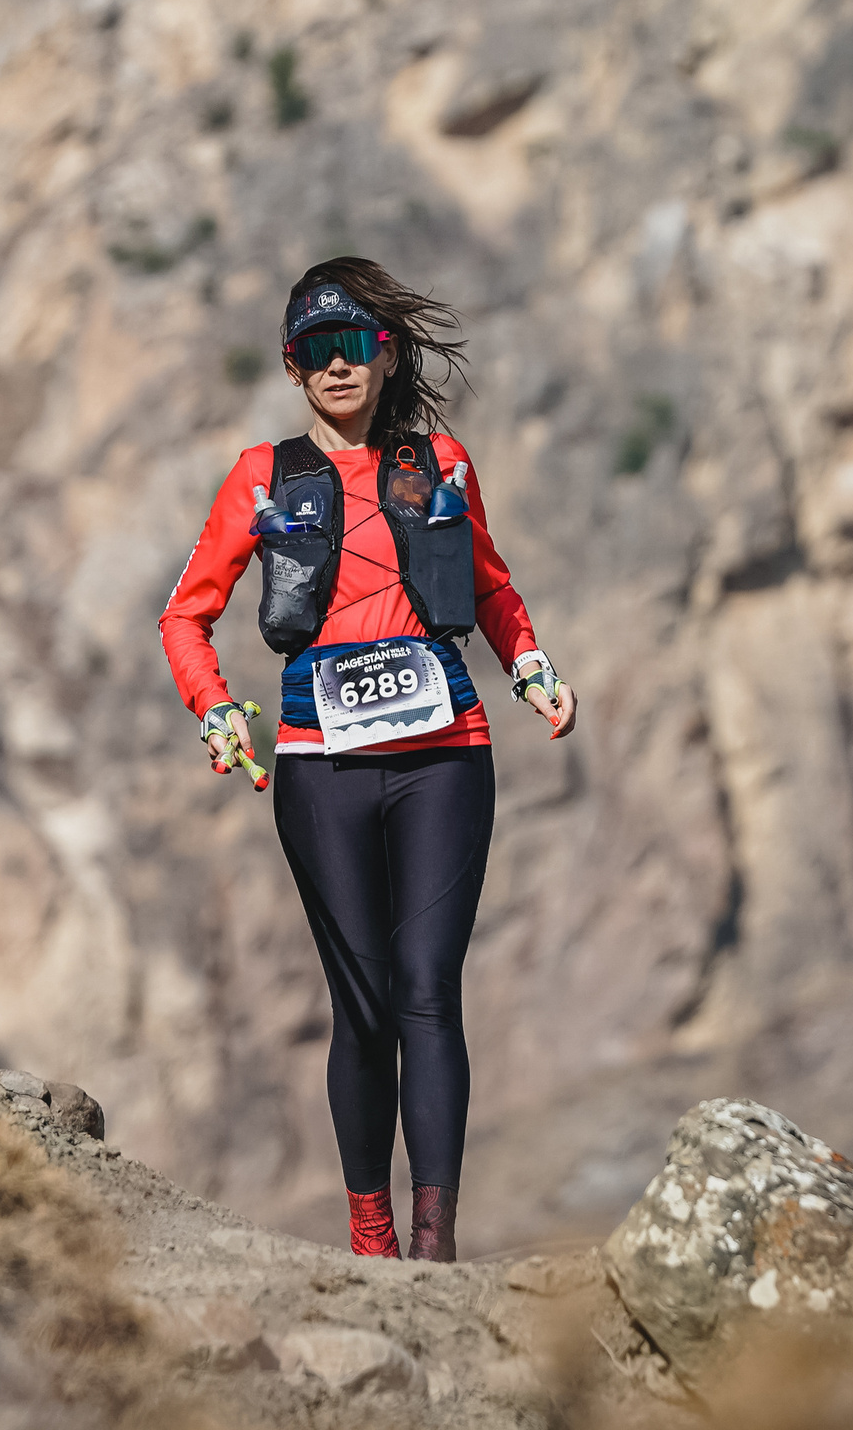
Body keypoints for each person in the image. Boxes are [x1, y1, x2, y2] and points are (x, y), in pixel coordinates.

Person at [159, 257, 575, 1262]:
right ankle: (371, 1238)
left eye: (355, 345)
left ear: (386, 356)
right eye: (316, 352)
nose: (338, 365)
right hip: (321, 768)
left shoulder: (442, 464)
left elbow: (491, 588)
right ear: (294, 371)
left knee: (429, 987)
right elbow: (186, 613)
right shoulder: (263, 477)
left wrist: (530, 666)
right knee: (365, 1004)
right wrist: (216, 710)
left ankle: (434, 1249)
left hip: (445, 756)